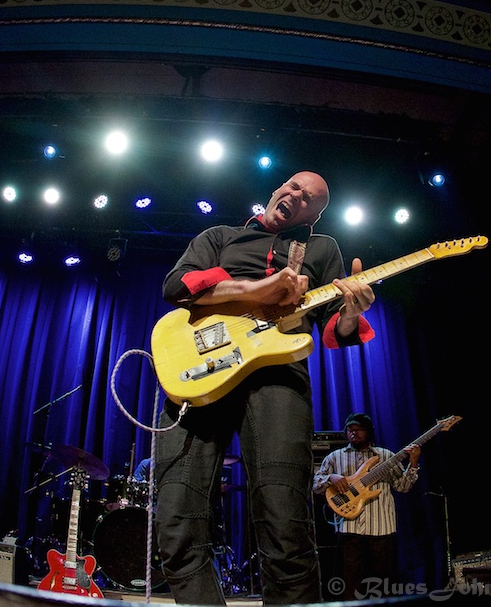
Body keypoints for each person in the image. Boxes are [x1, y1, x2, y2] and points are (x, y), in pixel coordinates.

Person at [153, 170, 376, 604]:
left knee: (285, 520)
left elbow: (333, 328)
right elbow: (178, 285)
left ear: (313, 216)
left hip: (278, 378)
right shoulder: (221, 236)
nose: (296, 197)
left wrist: (351, 310)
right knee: (177, 520)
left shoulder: (321, 248)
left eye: (309, 199)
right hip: (201, 369)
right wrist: (260, 288)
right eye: (292, 187)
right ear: (276, 190)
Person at [312, 412, 421, 601]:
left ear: (369, 432)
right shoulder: (334, 457)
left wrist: (413, 462)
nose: (353, 433)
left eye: (358, 429)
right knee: (350, 587)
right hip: (349, 529)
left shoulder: (386, 456)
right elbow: (315, 485)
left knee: (382, 587)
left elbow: (402, 487)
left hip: (382, 529)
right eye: (350, 430)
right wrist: (331, 478)